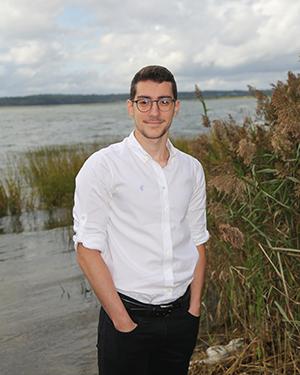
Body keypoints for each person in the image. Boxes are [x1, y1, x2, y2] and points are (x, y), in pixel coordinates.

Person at [73, 65, 209, 375]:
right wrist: (123, 322)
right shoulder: (103, 166)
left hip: (180, 318)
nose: (154, 111)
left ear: (176, 107)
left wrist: (194, 310)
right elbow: (86, 249)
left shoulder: (191, 169)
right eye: (144, 101)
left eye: (163, 101)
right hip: (127, 317)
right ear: (130, 106)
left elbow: (198, 240)